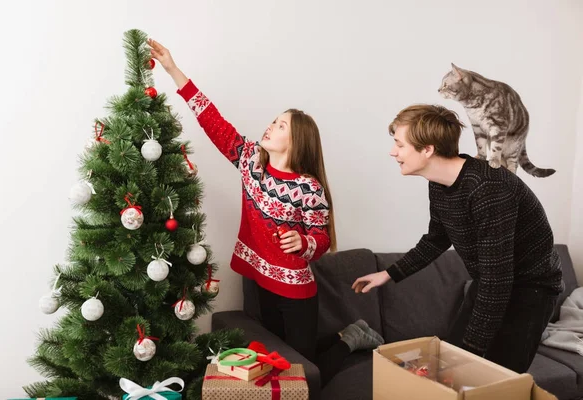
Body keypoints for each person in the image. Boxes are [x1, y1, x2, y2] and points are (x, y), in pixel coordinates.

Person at [148, 38, 384, 385]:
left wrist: (301, 242)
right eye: (273, 121)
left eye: (281, 125)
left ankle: (351, 339)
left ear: (297, 141)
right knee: (275, 362)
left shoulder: (309, 187)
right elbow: (211, 119)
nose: (270, 127)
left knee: (301, 373)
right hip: (259, 277)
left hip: (294, 288)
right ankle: (348, 337)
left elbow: (321, 239)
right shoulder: (250, 161)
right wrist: (171, 69)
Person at [352, 104, 563, 373]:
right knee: (449, 370)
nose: (393, 152)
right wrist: (388, 274)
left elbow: (498, 280)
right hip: (490, 283)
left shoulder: (488, 188)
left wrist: (469, 356)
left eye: (400, 145)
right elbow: (436, 239)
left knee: (495, 381)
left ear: (427, 149)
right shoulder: (439, 183)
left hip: (530, 290)